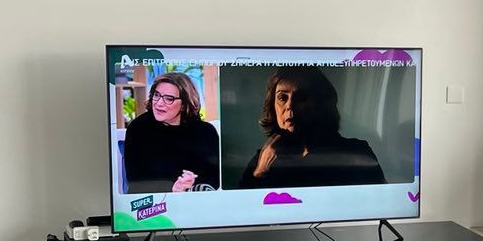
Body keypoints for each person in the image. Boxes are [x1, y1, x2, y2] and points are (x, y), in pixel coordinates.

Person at [237, 66, 385, 189]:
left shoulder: (356, 152)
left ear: (321, 104)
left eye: (301, 97)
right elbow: (241, 208)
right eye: (282, 98)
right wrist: (260, 171)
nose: (289, 106)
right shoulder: (264, 157)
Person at [121, 72, 220, 193]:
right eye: (156, 95)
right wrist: (172, 189)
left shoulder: (205, 131)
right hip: (152, 201)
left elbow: (215, 177)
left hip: (195, 199)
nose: (159, 103)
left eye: (169, 98)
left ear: (184, 104)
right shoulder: (138, 128)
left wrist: (190, 186)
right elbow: (136, 181)